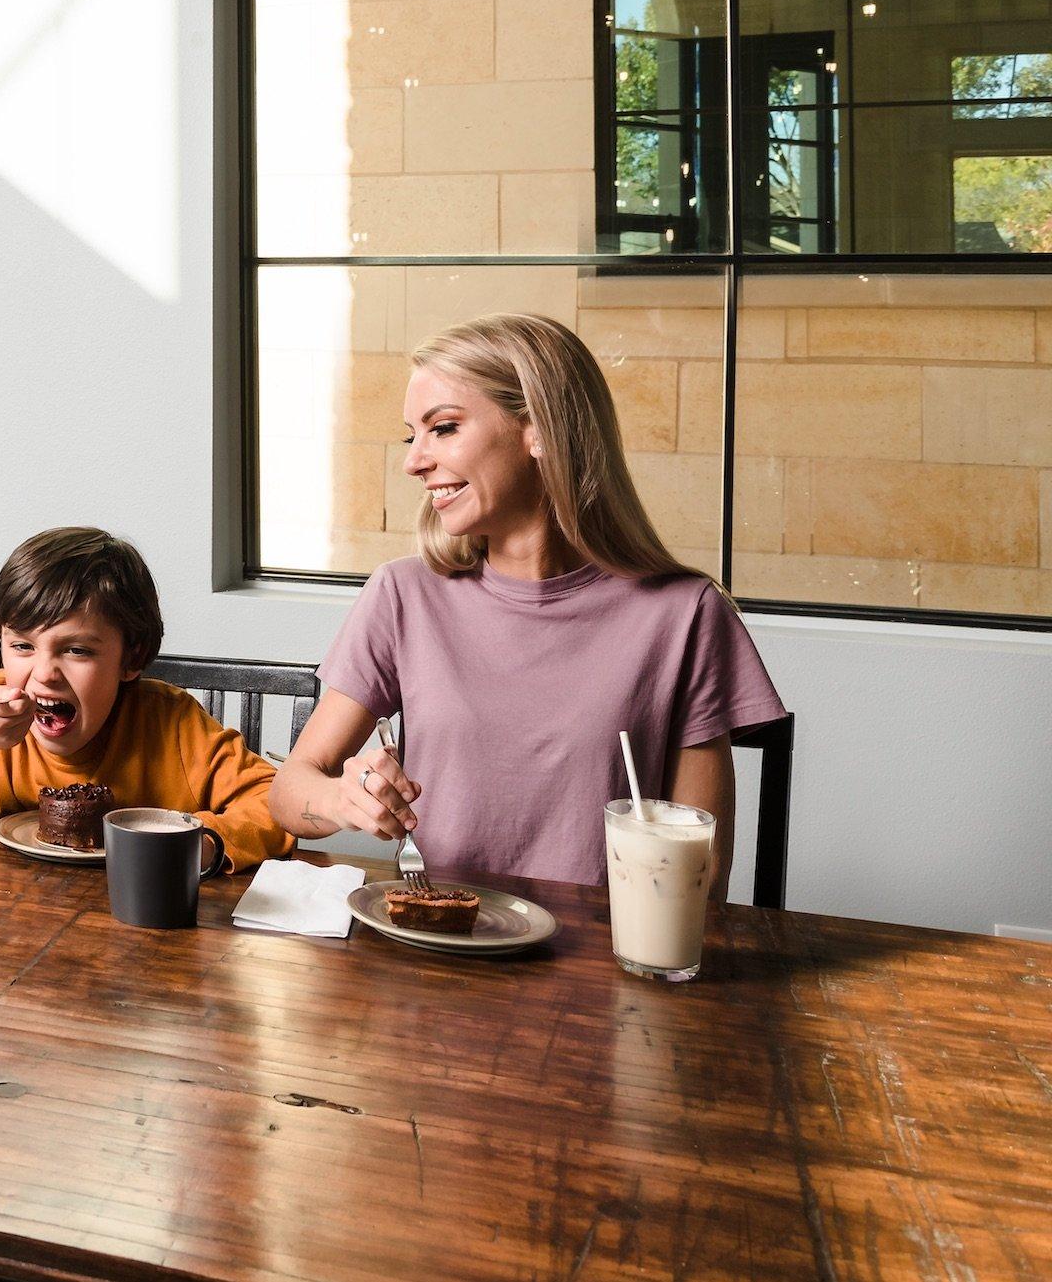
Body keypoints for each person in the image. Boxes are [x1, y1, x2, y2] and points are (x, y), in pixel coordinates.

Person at [269, 312, 787, 891]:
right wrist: (346, 799)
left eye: (442, 428)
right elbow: (290, 791)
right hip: (437, 949)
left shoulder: (685, 615)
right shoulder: (402, 596)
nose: (414, 460)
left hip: (605, 961)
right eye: (410, 435)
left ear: (537, 428)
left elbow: (704, 873)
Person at [0, 528, 292, 875]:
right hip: (6, 924)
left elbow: (279, 801)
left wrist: (203, 844)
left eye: (77, 651)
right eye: (21, 647)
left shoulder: (170, 724)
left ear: (131, 657)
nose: (43, 673)